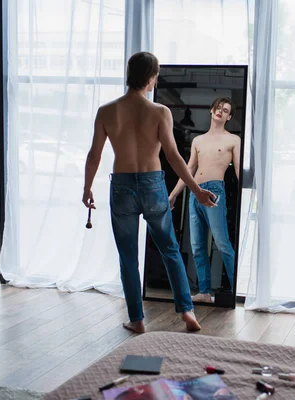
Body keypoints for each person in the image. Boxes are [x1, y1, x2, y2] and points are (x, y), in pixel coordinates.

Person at [81, 51, 216, 334]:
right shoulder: (159, 112)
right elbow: (173, 155)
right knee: (170, 250)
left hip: (122, 186)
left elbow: (94, 154)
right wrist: (197, 190)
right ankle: (187, 312)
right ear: (151, 78)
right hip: (153, 184)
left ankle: (137, 319)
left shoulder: (107, 111)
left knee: (128, 256)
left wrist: (87, 187)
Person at [168, 97, 240, 303]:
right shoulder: (198, 140)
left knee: (222, 243)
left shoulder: (233, 140)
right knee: (197, 246)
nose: (221, 111)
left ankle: (237, 290)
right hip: (194, 191)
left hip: (215, 192)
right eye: (218, 108)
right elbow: (189, 170)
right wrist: (173, 195)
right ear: (211, 110)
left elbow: (238, 171)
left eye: (225, 110)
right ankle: (204, 292)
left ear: (229, 116)